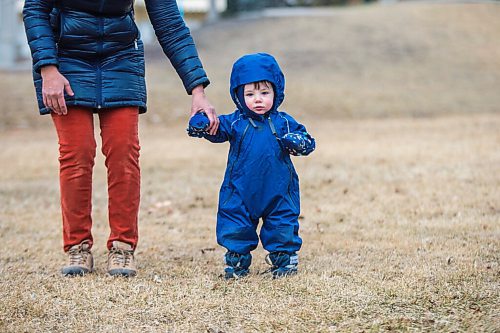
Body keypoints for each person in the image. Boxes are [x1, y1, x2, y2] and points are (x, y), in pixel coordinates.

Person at [23, 0, 219, 277]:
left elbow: (171, 25)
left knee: (124, 153)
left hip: (121, 58)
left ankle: (123, 246)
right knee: (77, 154)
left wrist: (197, 90)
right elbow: (35, 9)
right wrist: (47, 68)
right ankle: (77, 246)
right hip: (65, 58)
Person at [187, 53, 315, 278]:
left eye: (264, 92)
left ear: (276, 92)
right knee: (235, 223)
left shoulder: (283, 122)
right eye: (250, 93)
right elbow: (217, 130)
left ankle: (284, 261)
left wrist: (298, 142)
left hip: (279, 189)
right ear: (238, 95)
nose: (258, 99)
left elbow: (306, 140)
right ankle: (236, 263)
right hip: (240, 189)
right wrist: (203, 125)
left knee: (282, 224)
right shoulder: (235, 122)